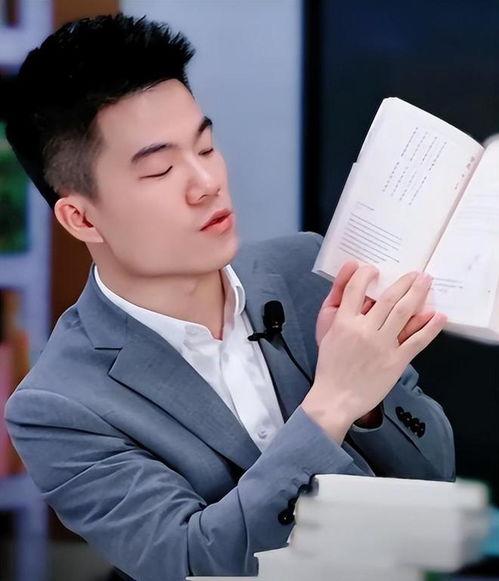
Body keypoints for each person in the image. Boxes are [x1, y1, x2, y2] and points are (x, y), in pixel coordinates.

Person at [1, 13, 454, 581]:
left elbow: (436, 480)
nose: (206, 182)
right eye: (160, 169)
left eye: (206, 146)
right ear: (81, 218)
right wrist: (334, 400)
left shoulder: (306, 268)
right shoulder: (59, 406)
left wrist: (368, 404)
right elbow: (192, 563)